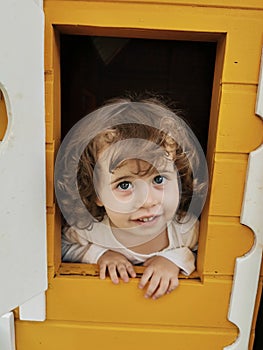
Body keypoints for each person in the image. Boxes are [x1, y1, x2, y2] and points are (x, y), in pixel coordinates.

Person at [55, 97, 208, 300]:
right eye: (124, 185)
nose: (148, 201)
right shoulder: (91, 229)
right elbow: (63, 247)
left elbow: (212, 260)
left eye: (159, 179)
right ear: (97, 194)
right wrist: (101, 255)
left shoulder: (186, 230)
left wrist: (174, 260)